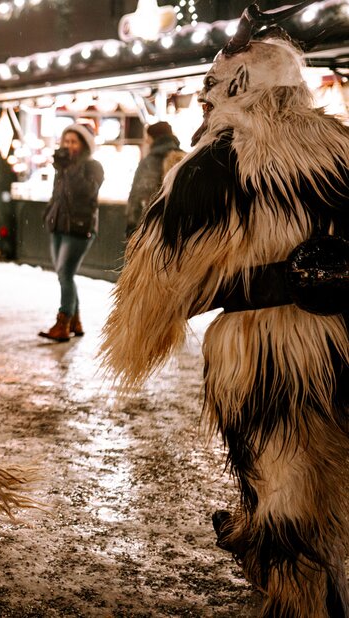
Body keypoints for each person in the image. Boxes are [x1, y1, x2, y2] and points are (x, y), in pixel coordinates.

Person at [102, 3, 349, 614]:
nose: (203, 106)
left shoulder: (212, 166)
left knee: (281, 474)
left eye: (208, 94)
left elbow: (150, 295)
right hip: (341, 338)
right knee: (323, 468)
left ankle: (297, 594)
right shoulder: (341, 148)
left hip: (262, 352)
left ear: (232, 90)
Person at [39, 123, 104, 342]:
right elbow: (58, 195)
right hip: (59, 225)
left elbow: (86, 193)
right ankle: (75, 321)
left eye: (73, 141)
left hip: (79, 228)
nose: (69, 145)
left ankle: (63, 322)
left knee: (65, 274)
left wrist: (70, 168)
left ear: (84, 144)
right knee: (63, 274)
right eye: (66, 141)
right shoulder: (63, 167)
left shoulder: (92, 166)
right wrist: (49, 213)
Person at [125, 121, 184, 237]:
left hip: (151, 231)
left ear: (154, 138)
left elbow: (140, 196)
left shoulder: (149, 162)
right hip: (180, 230)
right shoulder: (184, 159)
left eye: (148, 137)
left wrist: (131, 228)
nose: (146, 141)